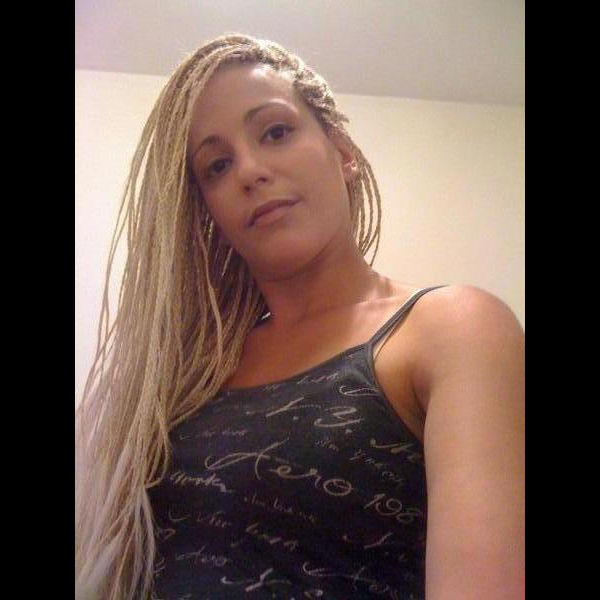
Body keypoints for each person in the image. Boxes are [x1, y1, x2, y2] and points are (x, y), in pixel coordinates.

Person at [75, 34, 524, 600]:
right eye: (217, 165)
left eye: (276, 132)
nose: (249, 171)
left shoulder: (448, 327)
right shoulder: (190, 377)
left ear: (343, 153)